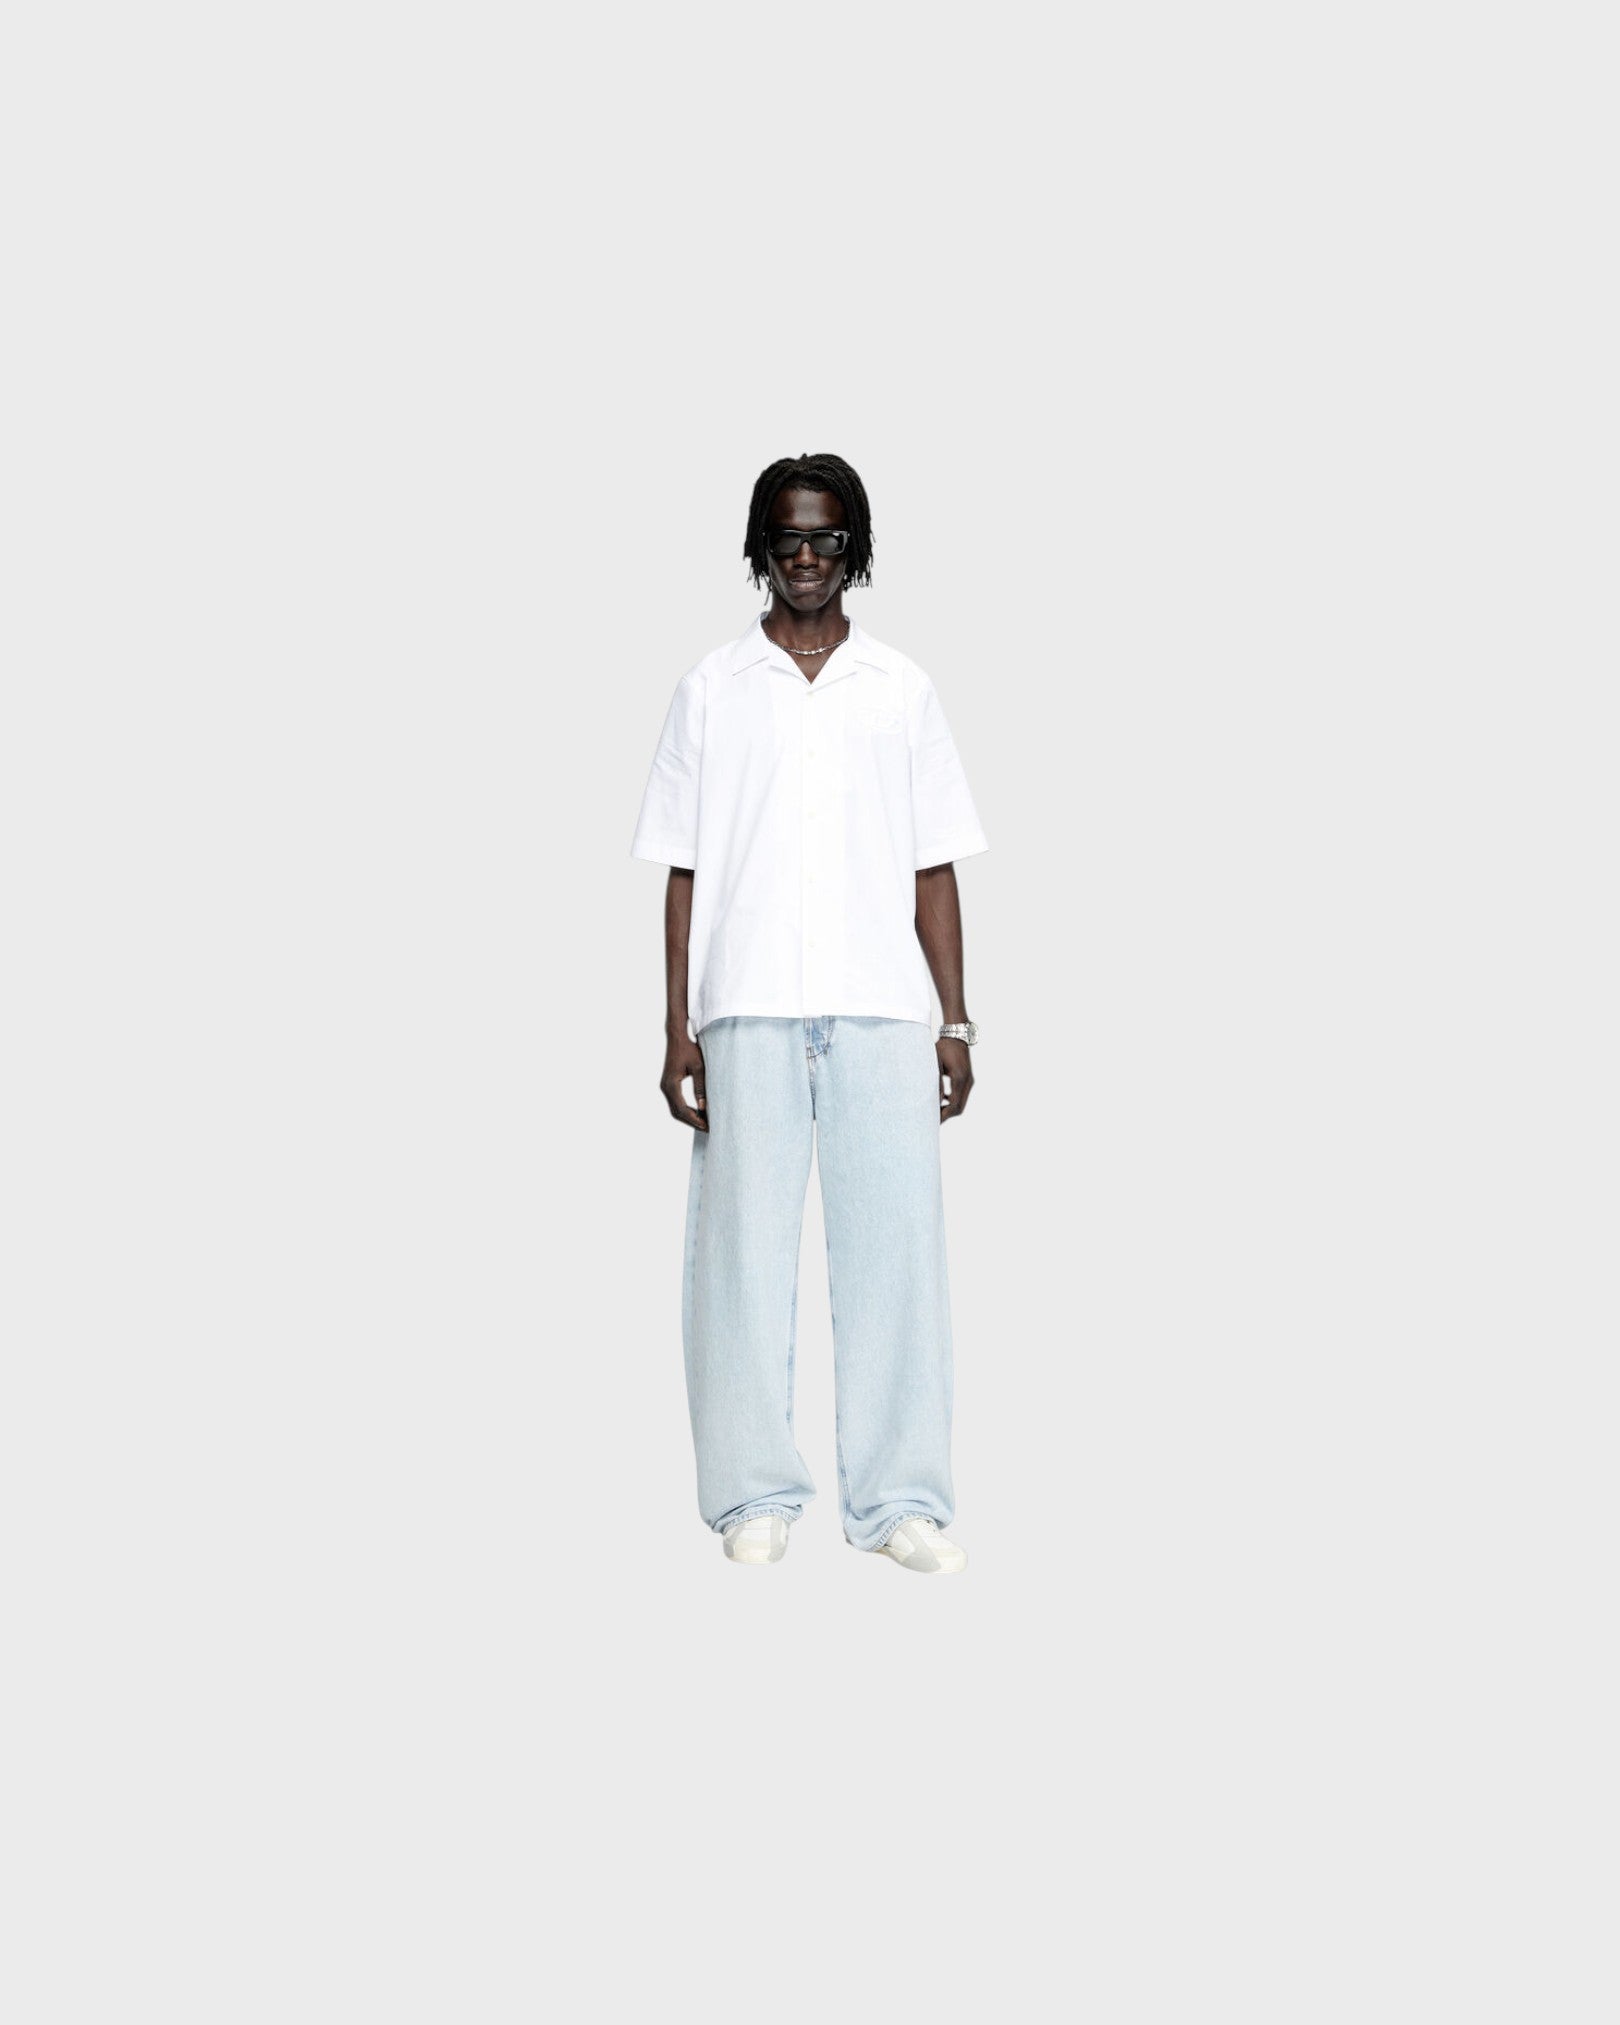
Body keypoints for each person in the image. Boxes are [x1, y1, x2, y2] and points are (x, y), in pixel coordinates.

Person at [629, 452, 988, 1574]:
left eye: (827, 536)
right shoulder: (711, 688)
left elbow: (934, 865)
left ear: (854, 547)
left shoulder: (901, 688)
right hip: (748, 1007)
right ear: (760, 545)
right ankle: (751, 1497)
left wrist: (955, 1021)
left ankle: (900, 1502)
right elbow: (683, 869)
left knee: (897, 1262)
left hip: (881, 1008)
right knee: (740, 1263)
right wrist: (677, 1026)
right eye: (787, 535)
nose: (805, 555)